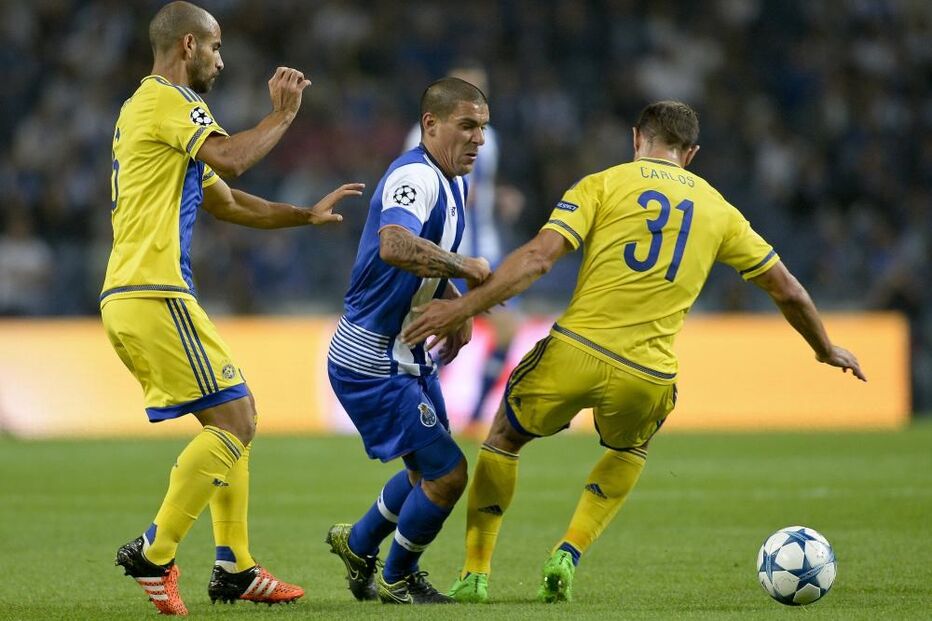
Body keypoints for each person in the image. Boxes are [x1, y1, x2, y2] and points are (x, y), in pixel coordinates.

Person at [402, 100, 867, 603]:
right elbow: (788, 291)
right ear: (689, 153)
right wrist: (824, 348)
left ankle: (475, 573)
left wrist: (463, 306)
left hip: (575, 350)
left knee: (505, 438)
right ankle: (569, 551)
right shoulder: (720, 211)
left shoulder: (602, 184)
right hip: (647, 373)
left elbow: (537, 258)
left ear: (636, 139)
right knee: (629, 448)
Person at [103, 2, 363, 615]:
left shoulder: (146, 111)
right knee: (238, 421)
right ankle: (155, 552)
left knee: (232, 418)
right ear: (188, 45)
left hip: (138, 293)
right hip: (153, 290)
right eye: (217, 48)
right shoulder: (170, 101)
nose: (222, 60)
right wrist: (283, 114)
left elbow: (227, 201)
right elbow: (231, 158)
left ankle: (235, 566)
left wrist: (304, 215)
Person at [325, 77, 492, 605]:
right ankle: (398, 577)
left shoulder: (454, 182)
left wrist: (458, 303)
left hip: (407, 354)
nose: (478, 140)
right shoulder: (414, 176)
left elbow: (426, 256)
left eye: (483, 129)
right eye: (467, 126)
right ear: (431, 124)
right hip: (371, 358)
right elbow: (396, 244)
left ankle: (357, 544)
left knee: (428, 473)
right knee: (448, 475)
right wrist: (467, 267)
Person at [402, 63, 520, 437]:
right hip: (447, 250)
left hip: (485, 248)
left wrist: (499, 198)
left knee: (504, 330)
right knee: (441, 328)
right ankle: (418, 400)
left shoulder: (492, 140)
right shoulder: (420, 136)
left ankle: (474, 415)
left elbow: (480, 188)